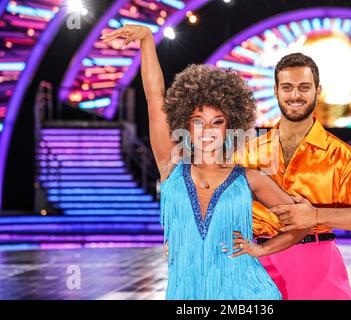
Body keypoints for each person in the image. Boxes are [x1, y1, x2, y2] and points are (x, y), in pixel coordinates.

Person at [101, 26, 310, 300]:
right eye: (198, 121)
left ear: (230, 125)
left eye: (217, 122)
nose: (207, 130)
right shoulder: (171, 166)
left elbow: (301, 224)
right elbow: (155, 98)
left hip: (246, 294)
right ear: (186, 124)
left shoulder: (251, 179)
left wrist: (262, 249)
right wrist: (147, 42)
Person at [235, 52, 351, 300]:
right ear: (276, 90)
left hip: (318, 265)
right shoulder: (246, 152)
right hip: (257, 265)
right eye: (287, 87)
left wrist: (316, 215)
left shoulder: (340, 155)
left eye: (303, 87)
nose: (295, 95)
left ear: (318, 91)